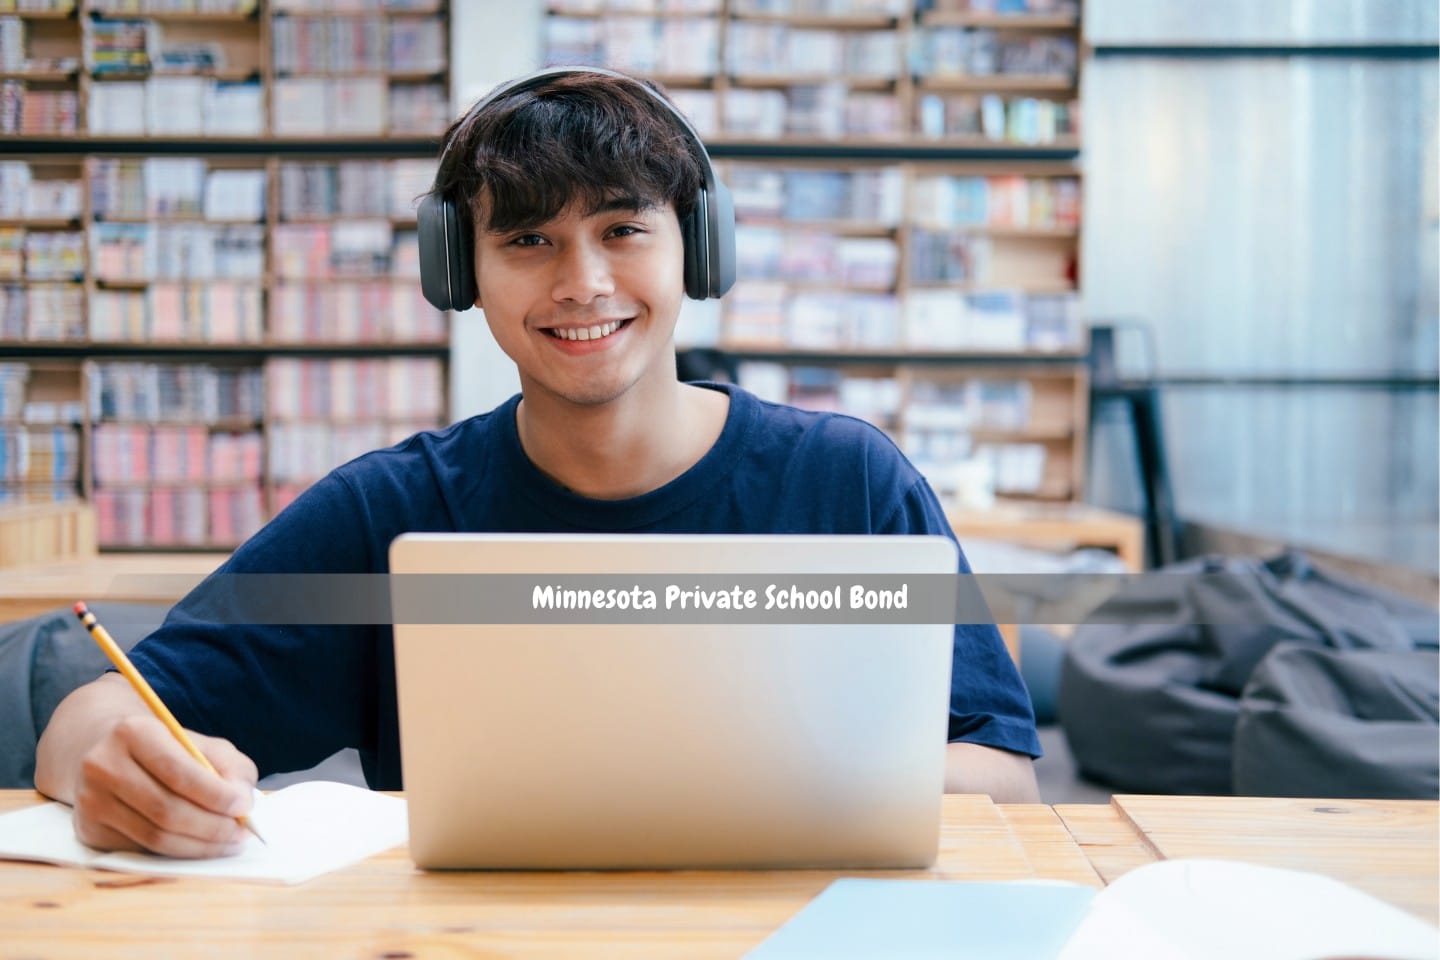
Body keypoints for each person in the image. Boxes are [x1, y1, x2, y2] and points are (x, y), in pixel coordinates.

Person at [36, 67, 1041, 859]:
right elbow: (94, 716)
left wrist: (758, 787)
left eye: (622, 228)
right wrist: (112, 767)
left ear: (698, 248)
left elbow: (1006, 782)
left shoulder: (845, 481)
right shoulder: (393, 511)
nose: (583, 283)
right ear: (458, 271)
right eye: (528, 239)